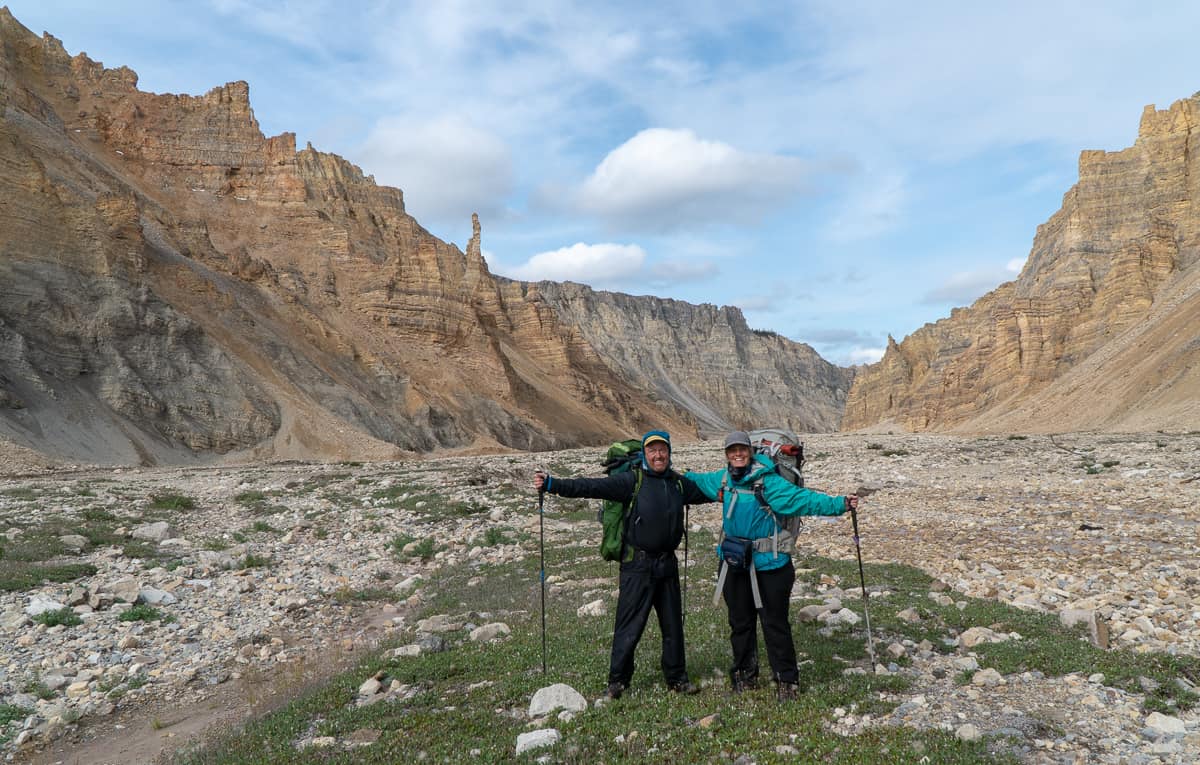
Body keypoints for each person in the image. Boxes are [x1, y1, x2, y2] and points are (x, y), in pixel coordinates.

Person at [534, 430, 711, 699]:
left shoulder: (678, 484)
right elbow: (591, 487)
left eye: (663, 450)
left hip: (667, 566)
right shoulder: (632, 481)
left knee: (673, 626)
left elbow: (711, 492)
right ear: (645, 454)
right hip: (637, 566)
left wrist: (739, 486)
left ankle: (677, 678)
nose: (658, 455)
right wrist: (552, 484)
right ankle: (618, 681)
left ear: (669, 453)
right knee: (628, 626)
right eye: (653, 450)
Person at [687, 430, 860, 701]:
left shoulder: (769, 483)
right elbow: (694, 481)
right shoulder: (721, 480)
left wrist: (840, 504)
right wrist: (665, 473)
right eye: (732, 451)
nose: (738, 454)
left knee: (774, 623)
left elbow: (805, 500)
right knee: (740, 622)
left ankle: (786, 680)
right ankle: (744, 675)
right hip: (734, 563)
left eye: (742, 449)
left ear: (750, 451)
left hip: (771, 565)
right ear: (726, 455)